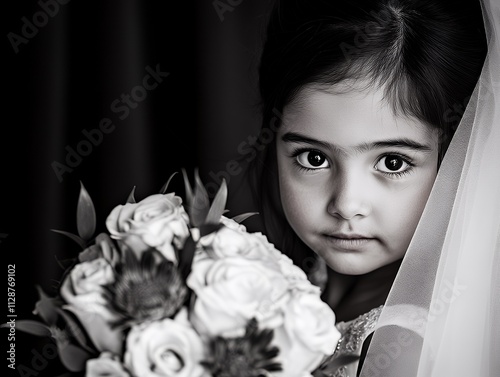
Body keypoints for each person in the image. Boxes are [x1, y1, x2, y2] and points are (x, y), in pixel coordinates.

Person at [241, 0, 499, 375]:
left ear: (459, 156)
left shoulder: (400, 350)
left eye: (392, 163)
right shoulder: (287, 284)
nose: (346, 204)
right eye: (314, 158)